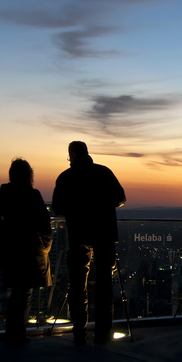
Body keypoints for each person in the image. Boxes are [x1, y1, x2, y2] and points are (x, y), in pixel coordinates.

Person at [52, 141, 126, 345]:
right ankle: (103, 333)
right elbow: (121, 198)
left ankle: (79, 332)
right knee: (104, 284)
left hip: (78, 234)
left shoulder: (66, 177)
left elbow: (57, 207)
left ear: (72, 155)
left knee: (77, 284)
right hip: (105, 233)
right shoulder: (104, 172)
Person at [0, 159, 52, 345]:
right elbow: (44, 222)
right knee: (24, 292)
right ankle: (17, 333)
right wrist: (45, 245)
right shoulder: (32, 194)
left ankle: (13, 331)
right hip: (28, 249)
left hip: (9, 248)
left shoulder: (2, 194)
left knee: (17, 292)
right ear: (29, 175)